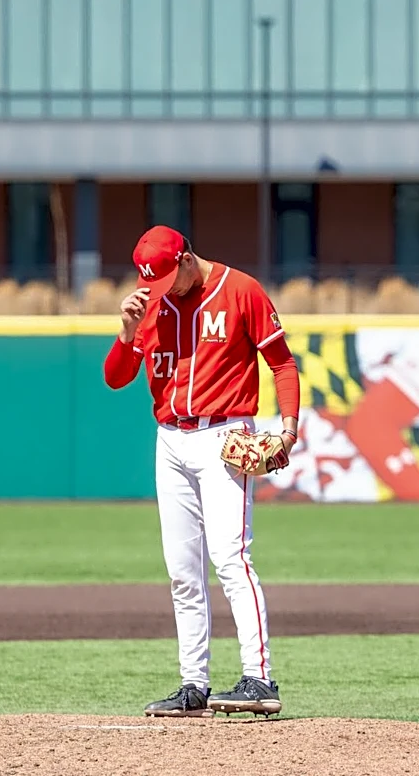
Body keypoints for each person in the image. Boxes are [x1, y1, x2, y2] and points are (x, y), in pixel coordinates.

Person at [103, 225, 301, 717]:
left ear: (188, 258)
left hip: (224, 436)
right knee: (182, 571)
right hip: (169, 439)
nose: (163, 289)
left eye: (169, 276)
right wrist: (126, 335)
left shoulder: (241, 290)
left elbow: (281, 364)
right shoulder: (150, 304)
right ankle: (194, 685)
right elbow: (116, 378)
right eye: (155, 281)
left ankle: (260, 678)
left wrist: (289, 430)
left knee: (231, 558)